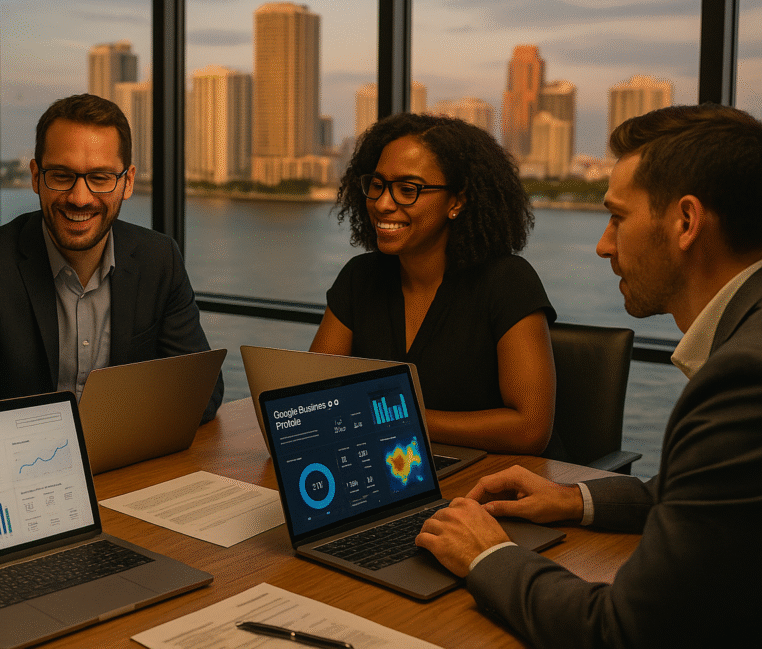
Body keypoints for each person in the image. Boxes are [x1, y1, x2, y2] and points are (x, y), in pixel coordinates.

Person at [415, 104, 762, 647]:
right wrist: (573, 499)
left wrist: (487, 555)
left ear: (686, 223)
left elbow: (625, 633)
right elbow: (704, 496)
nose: (603, 244)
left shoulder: (743, 378)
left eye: (618, 218)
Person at [0, 94, 222, 421]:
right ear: (35, 176)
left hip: (127, 463)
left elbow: (202, 394)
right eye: (61, 175)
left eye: (100, 178)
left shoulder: (159, 259)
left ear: (127, 182)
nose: (79, 198)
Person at [311, 113, 556, 454]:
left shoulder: (507, 281)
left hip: (481, 485)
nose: (382, 203)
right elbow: (311, 397)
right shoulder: (360, 277)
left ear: (457, 201)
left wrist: (393, 418)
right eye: (377, 185)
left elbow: (529, 430)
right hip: (378, 468)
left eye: (407, 190)